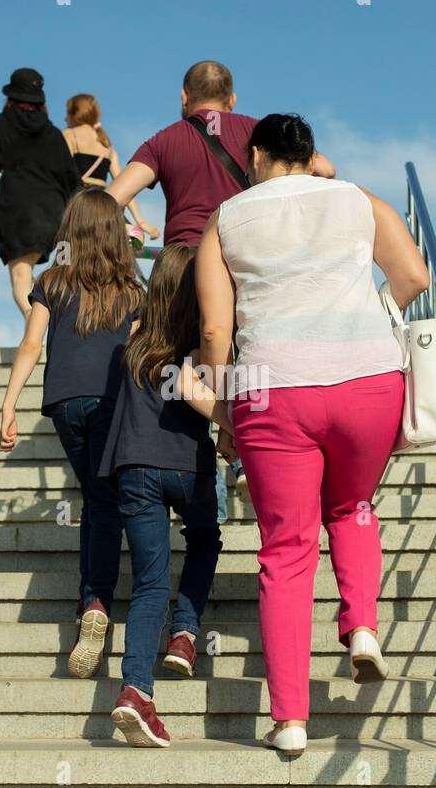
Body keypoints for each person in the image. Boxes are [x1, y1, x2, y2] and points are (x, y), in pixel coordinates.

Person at [195, 114, 432, 757]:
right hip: (368, 379)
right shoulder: (356, 199)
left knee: (286, 551)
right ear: (311, 155)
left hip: (274, 388)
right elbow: (414, 276)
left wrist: (223, 406)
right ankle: (361, 628)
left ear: (258, 154)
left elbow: (216, 333)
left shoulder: (227, 219)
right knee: (352, 508)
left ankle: (291, 721)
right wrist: (371, 317)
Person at [106, 60, 337, 520]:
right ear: (232, 100)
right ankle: (253, 454)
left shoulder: (164, 139)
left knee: (187, 365)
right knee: (245, 352)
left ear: (184, 97)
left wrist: (126, 241)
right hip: (248, 261)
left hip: (182, 274)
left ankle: (206, 475)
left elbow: (113, 198)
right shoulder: (256, 134)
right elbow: (325, 170)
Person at [0, 188, 146, 679]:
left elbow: (29, 343)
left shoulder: (51, 282)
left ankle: (91, 601)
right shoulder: (132, 288)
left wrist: (8, 404)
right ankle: (97, 602)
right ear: (115, 233)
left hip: (63, 402)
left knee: (95, 496)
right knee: (107, 500)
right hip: (111, 400)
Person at [98, 245, 228, 747]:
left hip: (133, 468)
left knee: (150, 584)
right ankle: (185, 633)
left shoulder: (133, 340)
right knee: (204, 538)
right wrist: (233, 423)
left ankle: (134, 691)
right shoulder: (196, 342)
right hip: (183, 466)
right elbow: (196, 390)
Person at [0, 67, 83, 318]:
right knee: (64, 269)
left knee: (21, 277)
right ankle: (63, 326)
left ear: (11, 97)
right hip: (55, 215)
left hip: (17, 214)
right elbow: (72, 179)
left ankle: (33, 324)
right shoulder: (53, 134)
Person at [62, 94, 159, 240]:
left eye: (67, 113)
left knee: (74, 249)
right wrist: (141, 221)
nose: (65, 118)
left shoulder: (69, 135)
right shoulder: (106, 143)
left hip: (81, 200)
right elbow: (124, 182)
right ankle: (126, 227)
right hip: (104, 200)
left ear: (76, 115)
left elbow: (64, 171)